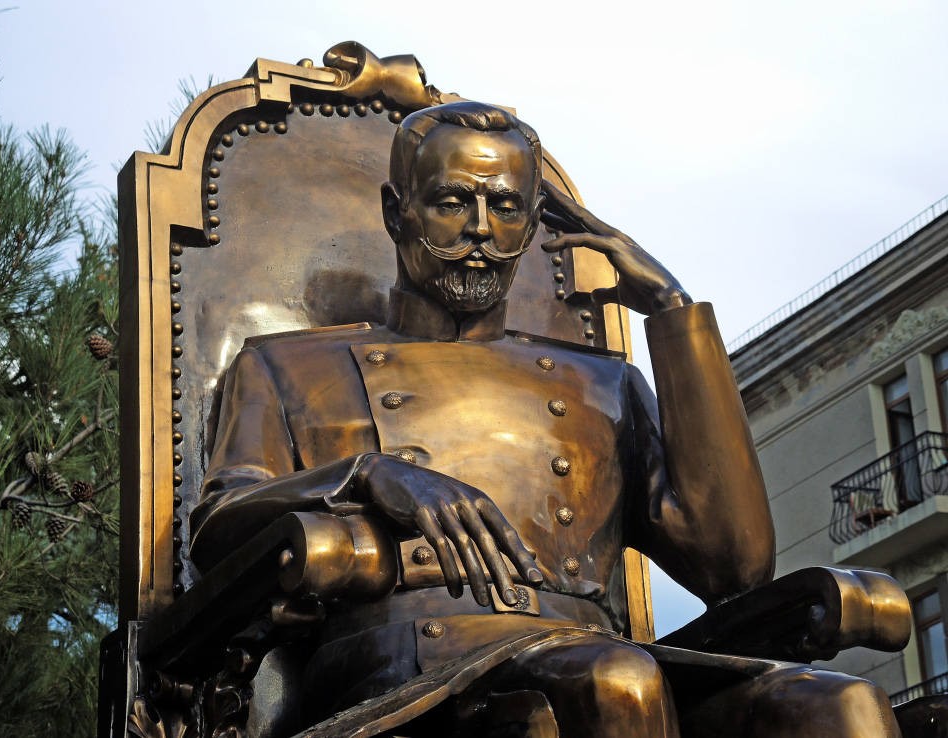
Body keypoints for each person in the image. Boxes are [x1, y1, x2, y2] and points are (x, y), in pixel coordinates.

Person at [189, 101, 901, 737]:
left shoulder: (603, 385)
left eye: (505, 208)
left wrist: (672, 309)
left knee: (842, 705)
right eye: (452, 202)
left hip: (591, 653)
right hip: (407, 669)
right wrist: (366, 475)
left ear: (532, 223)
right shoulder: (291, 366)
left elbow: (734, 567)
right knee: (618, 680)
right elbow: (219, 524)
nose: (480, 230)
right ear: (396, 211)